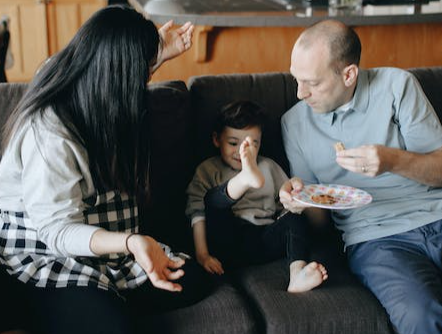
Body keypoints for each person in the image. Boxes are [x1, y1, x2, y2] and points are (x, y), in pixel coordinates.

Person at [0, 5, 212, 334]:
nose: (145, 82)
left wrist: (157, 54)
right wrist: (130, 243)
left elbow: (109, 58)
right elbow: (56, 231)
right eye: (142, 74)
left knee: (193, 280)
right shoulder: (52, 131)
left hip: (102, 239)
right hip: (45, 247)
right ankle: (45, 303)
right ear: (117, 76)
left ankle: (86, 301)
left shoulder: (80, 73)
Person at [280, 19, 442, 334]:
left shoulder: (397, 86)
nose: (301, 93)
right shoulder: (295, 124)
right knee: (420, 316)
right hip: (377, 239)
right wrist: (299, 200)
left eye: (312, 83)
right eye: (295, 79)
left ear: (349, 74)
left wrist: (392, 160)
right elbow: (320, 223)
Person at [185, 100, 328, 293]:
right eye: (233, 143)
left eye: (252, 144)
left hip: (264, 239)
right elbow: (197, 213)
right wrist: (202, 255)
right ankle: (245, 178)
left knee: (294, 217)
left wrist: (297, 200)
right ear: (217, 139)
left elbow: (285, 208)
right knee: (212, 201)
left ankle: (297, 274)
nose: (241, 152)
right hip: (228, 241)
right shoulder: (208, 169)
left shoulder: (268, 167)